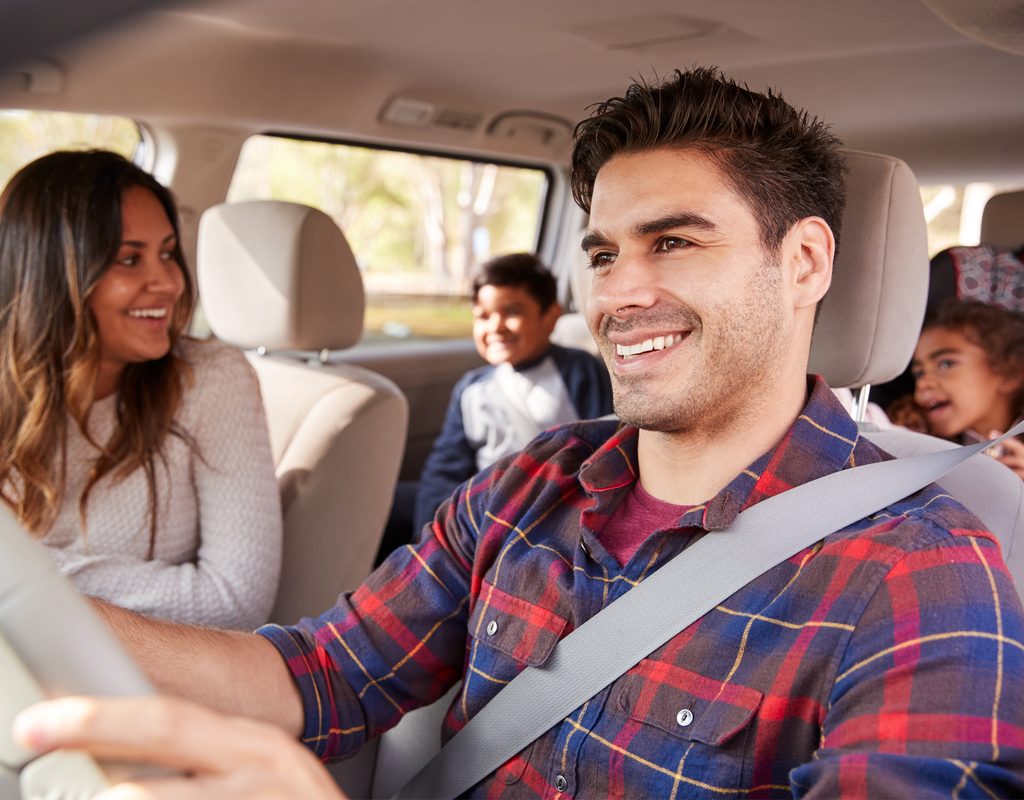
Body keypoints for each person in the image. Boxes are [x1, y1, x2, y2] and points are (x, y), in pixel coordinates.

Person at [13, 69, 1024, 797]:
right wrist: (33, 604)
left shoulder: (921, 572)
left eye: (672, 240)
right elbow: (317, 673)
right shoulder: (531, 484)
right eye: (602, 251)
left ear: (804, 261)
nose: (620, 293)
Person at [0, 149, 282, 630]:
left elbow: (236, 600)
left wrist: (26, 575)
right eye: (130, 259)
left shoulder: (210, 379)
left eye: (168, 253)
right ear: (50, 276)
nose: (169, 282)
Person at [412, 252, 613, 533]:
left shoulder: (578, 370)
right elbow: (444, 468)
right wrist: (432, 530)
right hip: (483, 508)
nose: (495, 326)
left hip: (552, 507)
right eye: (483, 316)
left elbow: (604, 448)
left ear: (551, 317)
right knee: (386, 500)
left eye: (513, 312)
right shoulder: (471, 388)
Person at [889, 299, 1024, 478]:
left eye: (946, 364)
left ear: (1009, 373)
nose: (923, 383)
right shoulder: (916, 446)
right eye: (919, 373)